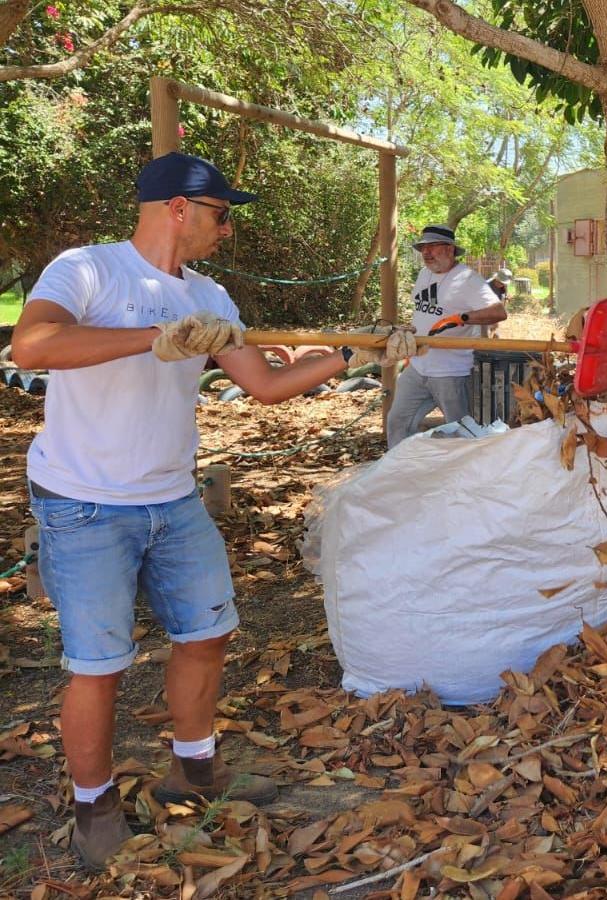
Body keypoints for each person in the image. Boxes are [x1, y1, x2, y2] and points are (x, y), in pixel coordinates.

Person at [9, 152, 417, 869]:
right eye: (221, 216)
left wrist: (354, 353)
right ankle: (93, 804)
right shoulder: (88, 269)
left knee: (208, 632)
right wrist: (152, 339)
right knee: (98, 665)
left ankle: (192, 772)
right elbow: (32, 345)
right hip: (85, 502)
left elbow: (261, 384)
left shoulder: (212, 297)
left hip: (173, 497)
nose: (225, 231)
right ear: (179, 208)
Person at [385, 225, 507, 447]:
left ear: (450, 250)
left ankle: (465, 476)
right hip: (418, 366)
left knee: (460, 432)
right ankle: (398, 474)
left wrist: (461, 318)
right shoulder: (424, 273)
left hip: (451, 373)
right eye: (423, 247)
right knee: (397, 422)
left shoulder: (467, 279)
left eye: (433, 246)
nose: (426, 253)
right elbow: (423, 313)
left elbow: (499, 312)